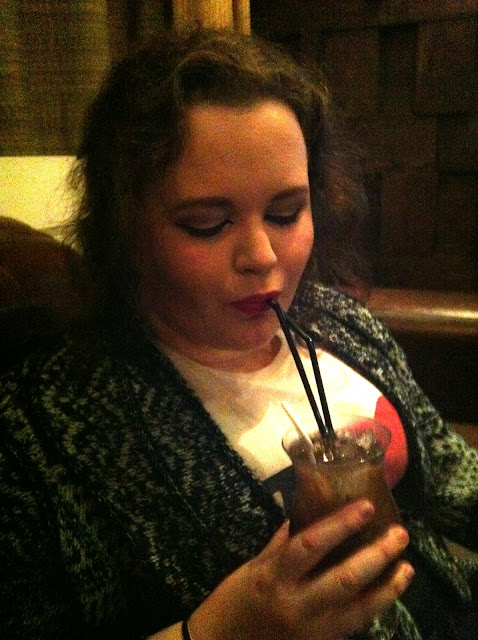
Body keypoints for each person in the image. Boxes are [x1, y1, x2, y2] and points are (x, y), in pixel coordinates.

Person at [0, 27, 477, 640]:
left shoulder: (343, 324)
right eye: (206, 223)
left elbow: (455, 478)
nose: (262, 256)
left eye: (285, 213)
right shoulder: (42, 432)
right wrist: (222, 630)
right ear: (126, 230)